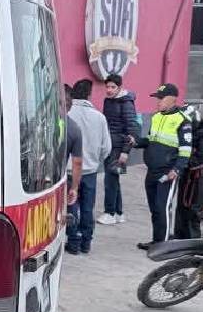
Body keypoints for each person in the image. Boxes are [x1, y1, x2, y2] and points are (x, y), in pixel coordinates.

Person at [135, 83, 193, 250]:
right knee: (154, 207)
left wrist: (177, 169)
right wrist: (137, 142)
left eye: (161, 98)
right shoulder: (156, 117)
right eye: (157, 98)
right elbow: (151, 140)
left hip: (168, 172)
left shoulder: (183, 120)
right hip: (152, 170)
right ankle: (157, 240)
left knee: (162, 207)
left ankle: (164, 244)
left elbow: (186, 149)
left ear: (172, 99)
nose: (158, 101)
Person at [65, 79, 111, 255]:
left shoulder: (67, 115)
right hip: (90, 171)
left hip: (69, 171)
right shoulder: (99, 117)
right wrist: (95, 160)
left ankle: (73, 241)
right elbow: (106, 147)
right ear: (90, 95)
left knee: (71, 206)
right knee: (87, 207)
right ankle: (86, 242)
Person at [98, 73, 140, 226]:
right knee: (114, 179)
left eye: (112, 87)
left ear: (119, 87)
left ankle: (110, 213)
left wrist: (125, 151)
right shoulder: (108, 100)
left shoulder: (126, 103)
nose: (109, 90)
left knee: (110, 180)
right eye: (107, 87)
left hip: (119, 147)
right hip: (110, 145)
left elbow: (133, 129)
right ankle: (118, 213)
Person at [174, 106, 203, 240]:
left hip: (200, 179)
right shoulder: (191, 134)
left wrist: (182, 160)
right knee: (181, 207)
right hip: (188, 177)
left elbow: (201, 160)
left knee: (194, 210)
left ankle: (193, 240)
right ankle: (179, 236)